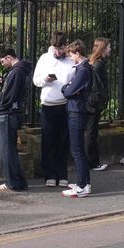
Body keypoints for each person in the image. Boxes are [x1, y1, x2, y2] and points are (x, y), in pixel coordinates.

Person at [33, 31, 74, 188]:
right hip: (48, 105)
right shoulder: (44, 58)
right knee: (49, 140)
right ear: (52, 46)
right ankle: (50, 174)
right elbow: (36, 80)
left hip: (64, 104)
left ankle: (62, 174)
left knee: (63, 141)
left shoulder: (70, 60)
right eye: (56, 48)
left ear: (65, 46)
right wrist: (46, 79)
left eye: (61, 48)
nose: (58, 51)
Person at [0, 46, 30, 191]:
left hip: (8, 113)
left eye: (3, 61)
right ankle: (18, 180)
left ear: (9, 57)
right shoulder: (19, 71)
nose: (3, 64)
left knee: (6, 151)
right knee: (10, 150)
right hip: (13, 113)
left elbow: (11, 95)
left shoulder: (16, 72)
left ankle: (12, 182)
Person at [60, 40, 94, 197]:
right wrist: (68, 87)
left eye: (71, 54)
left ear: (77, 53)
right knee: (79, 149)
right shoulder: (83, 68)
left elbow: (68, 91)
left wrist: (65, 87)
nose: (70, 57)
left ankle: (81, 186)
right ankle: (85, 183)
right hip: (78, 111)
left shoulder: (82, 71)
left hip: (77, 112)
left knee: (77, 150)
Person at [85, 38, 112, 172]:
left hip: (91, 102)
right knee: (91, 132)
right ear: (102, 48)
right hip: (93, 103)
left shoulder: (93, 62)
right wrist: (101, 99)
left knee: (91, 132)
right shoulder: (98, 64)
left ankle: (92, 161)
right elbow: (98, 86)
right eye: (108, 47)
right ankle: (92, 162)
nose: (110, 49)